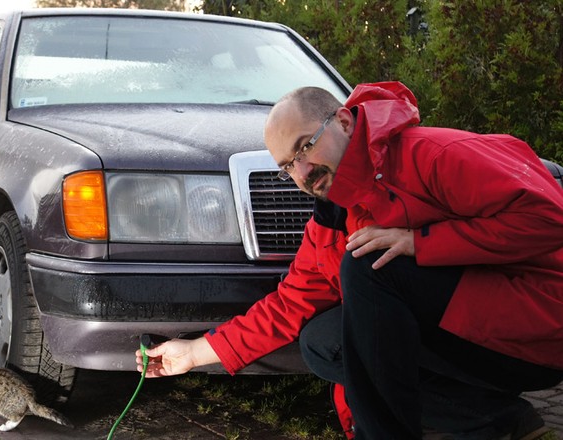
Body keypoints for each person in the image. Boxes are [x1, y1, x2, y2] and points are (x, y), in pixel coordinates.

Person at [135, 81, 563, 439]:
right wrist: (194, 353)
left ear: (342, 120)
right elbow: (287, 307)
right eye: (289, 166)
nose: (303, 173)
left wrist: (421, 242)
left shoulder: (432, 155)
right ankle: (499, 422)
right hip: (473, 342)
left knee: (370, 262)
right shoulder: (330, 224)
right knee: (323, 340)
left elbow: (549, 218)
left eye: (305, 147)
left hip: (538, 328)